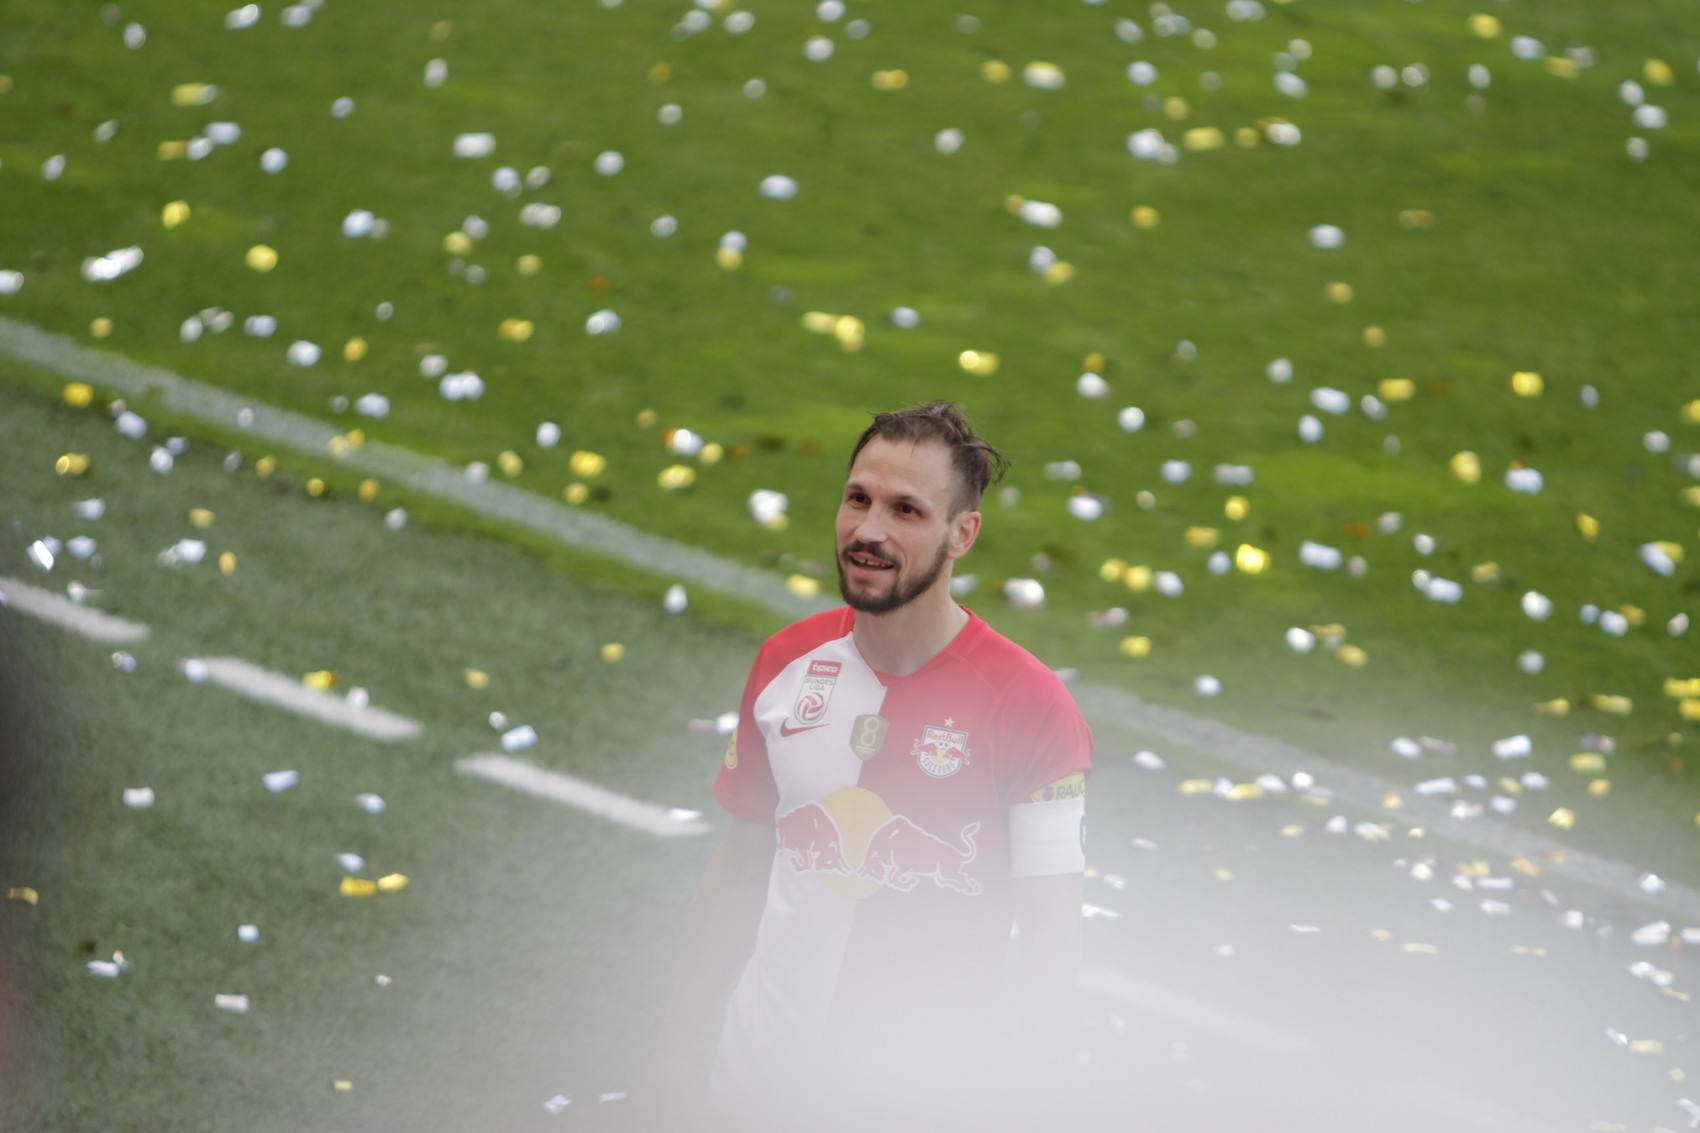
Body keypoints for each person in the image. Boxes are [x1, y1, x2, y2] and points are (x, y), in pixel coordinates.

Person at [645, 402, 1093, 1131]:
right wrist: (672, 1056)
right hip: (750, 1088)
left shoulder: (1031, 704)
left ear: (962, 533)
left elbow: (1052, 932)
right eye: (858, 499)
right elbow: (741, 868)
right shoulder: (787, 662)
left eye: (906, 510)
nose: (868, 531)